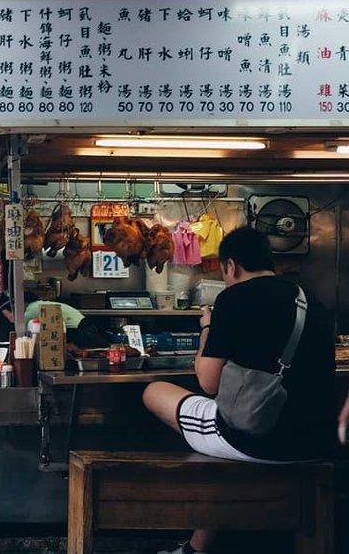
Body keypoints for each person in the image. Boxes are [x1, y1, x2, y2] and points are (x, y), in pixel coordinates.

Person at [142, 227, 335, 554]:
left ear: (231, 266)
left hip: (258, 440)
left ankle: (195, 543)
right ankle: (197, 545)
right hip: (315, 440)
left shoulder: (233, 298)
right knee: (228, 431)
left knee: (154, 392)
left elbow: (208, 382)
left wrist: (207, 327)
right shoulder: (310, 299)